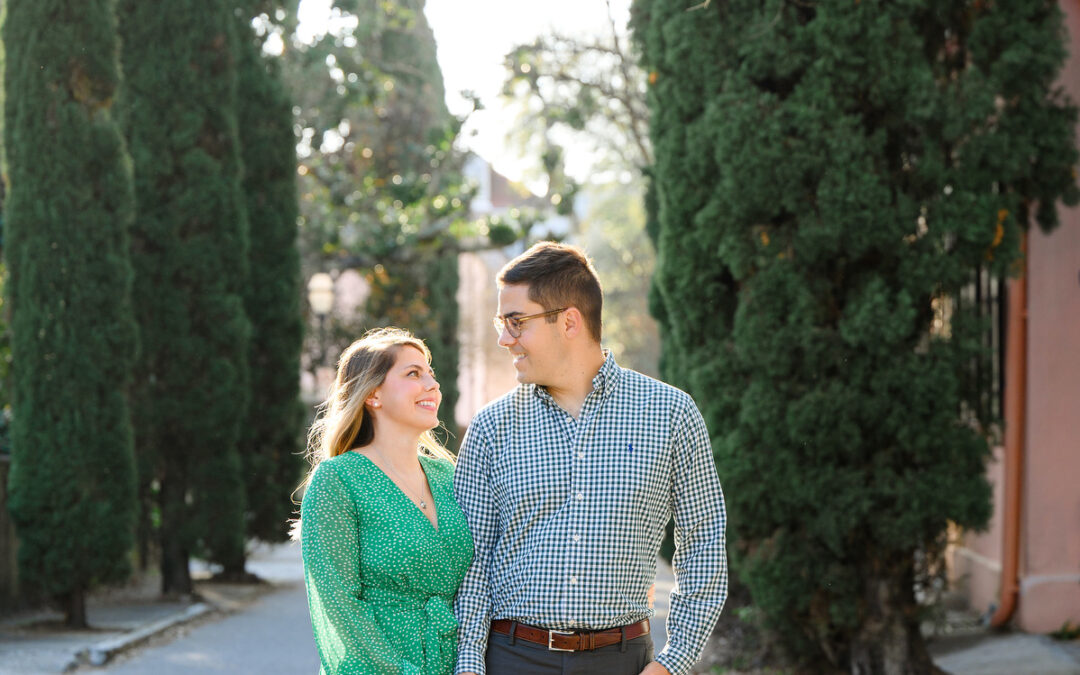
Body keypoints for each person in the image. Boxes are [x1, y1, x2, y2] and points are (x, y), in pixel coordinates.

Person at [453, 242, 727, 675]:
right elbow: (469, 562)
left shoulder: (671, 413)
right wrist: (469, 665)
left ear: (569, 321)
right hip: (511, 659)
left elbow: (704, 543)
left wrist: (674, 663)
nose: (504, 338)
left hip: (624, 661)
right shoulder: (491, 427)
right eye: (501, 322)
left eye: (516, 322)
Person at [297, 327, 474, 675]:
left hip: (457, 662)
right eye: (413, 374)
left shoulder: (448, 476)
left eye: (431, 374)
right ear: (373, 394)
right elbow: (339, 605)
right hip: (379, 666)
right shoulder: (338, 480)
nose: (433, 385)